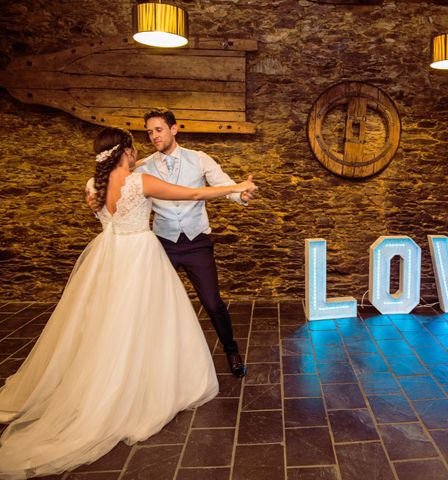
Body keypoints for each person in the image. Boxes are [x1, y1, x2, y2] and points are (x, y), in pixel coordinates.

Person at [0, 127, 257, 479]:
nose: (138, 151)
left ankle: (103, 377)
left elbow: (101, 217)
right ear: (125, 152)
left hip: (109, 257)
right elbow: (193, 192)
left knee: (107, 323)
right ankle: (137, 384)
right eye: (134, 147)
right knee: (148, 320)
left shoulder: (93, 186)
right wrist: (236, 186)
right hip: (139, 254)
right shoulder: (140, 181)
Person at [103, 108, 252, 377]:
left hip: (197, 243)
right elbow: (114, 178)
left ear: (174, 129)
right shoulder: (143, 166)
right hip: (163, 244)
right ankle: (150, 361)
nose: (153, 136)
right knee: (151, 303)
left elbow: (223, 184)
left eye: (158, 130)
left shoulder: (200, 158)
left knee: (212, 302)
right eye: (149, 132)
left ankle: (232, 351)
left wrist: (239, 195)